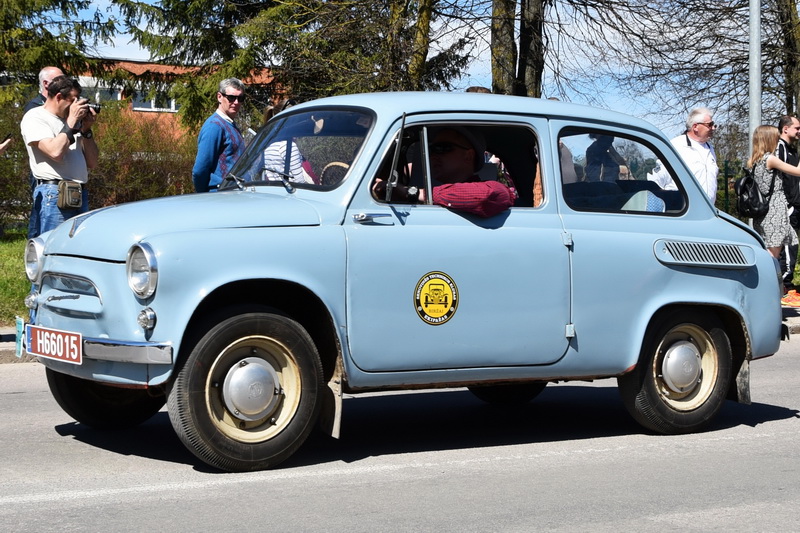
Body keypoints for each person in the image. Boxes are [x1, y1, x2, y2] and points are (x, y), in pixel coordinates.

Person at [372, 127, 516, 218]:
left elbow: (490, 195)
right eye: (431, 150)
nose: (433, 156)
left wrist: (411, 193)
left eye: (443, 148)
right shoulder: (435, 195)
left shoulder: (492, 189)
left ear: (468, 156)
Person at [20, 76, 98, 235]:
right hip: (54, 192)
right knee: (53, 243)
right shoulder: (35, 117)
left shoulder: (73, 121)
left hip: (79, 192)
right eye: (73, 100)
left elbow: (92, 162)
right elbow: (55, 152)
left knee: (78, 245)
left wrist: (86, 130)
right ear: (58, 97)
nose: (77, 105)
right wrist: (71, 123)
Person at [747, 125, 800, 268]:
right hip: (774, 211)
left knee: (769, 249)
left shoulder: (754, 160)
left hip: (763, 211)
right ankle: (769, 280)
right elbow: (797, 171)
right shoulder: (770, 159)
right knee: (772, 255)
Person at [23, 66, 64, 238]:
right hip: (45, 176)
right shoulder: (35, 108)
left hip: (66, 176)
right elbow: (49, 145)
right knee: (40, 218)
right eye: (60, 79)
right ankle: (35, 247)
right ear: (46, 84)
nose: (64, 83)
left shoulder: (63, 110)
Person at [647, 107, 718, 201]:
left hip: (707, 208)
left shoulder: (710, 148)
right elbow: (656, 181)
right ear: (695, 127)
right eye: (710, 124)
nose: (713, 128)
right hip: (681, 208)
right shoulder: (676, 146)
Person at [192, 78, 247, 192]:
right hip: (219, 194)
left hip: (234, 193)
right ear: (219, 97)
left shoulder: (230, 124)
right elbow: (200, 170)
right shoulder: (214, 126)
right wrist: (203, 196)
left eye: (240, 98)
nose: (236, 102)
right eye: (231, 98)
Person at [775, 115, 800, 297]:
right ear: (785, 129)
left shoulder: (792, 149)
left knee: (792, 245)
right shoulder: (780, 148)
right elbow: (781, 175)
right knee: (787, 246)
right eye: (797, 128)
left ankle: (787, 285)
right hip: (787, 205)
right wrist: (786, 201)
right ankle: (785, 286)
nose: (799, 131)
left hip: (795, 204)